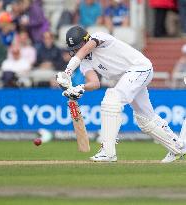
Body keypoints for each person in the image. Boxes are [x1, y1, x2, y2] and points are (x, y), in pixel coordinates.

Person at [56, 25, 186, 163]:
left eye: (78, 47)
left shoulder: (99, 37)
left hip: (139, 68)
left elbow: (86, 49)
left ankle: (107, 151)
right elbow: (94, 83)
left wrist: (67, 71)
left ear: (85, 40)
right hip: (127, 78)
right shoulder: (85, 63)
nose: (76, 51)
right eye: (73, 50)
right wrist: (80, 87)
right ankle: (177, 148)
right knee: (145, 119)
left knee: (112, 99)